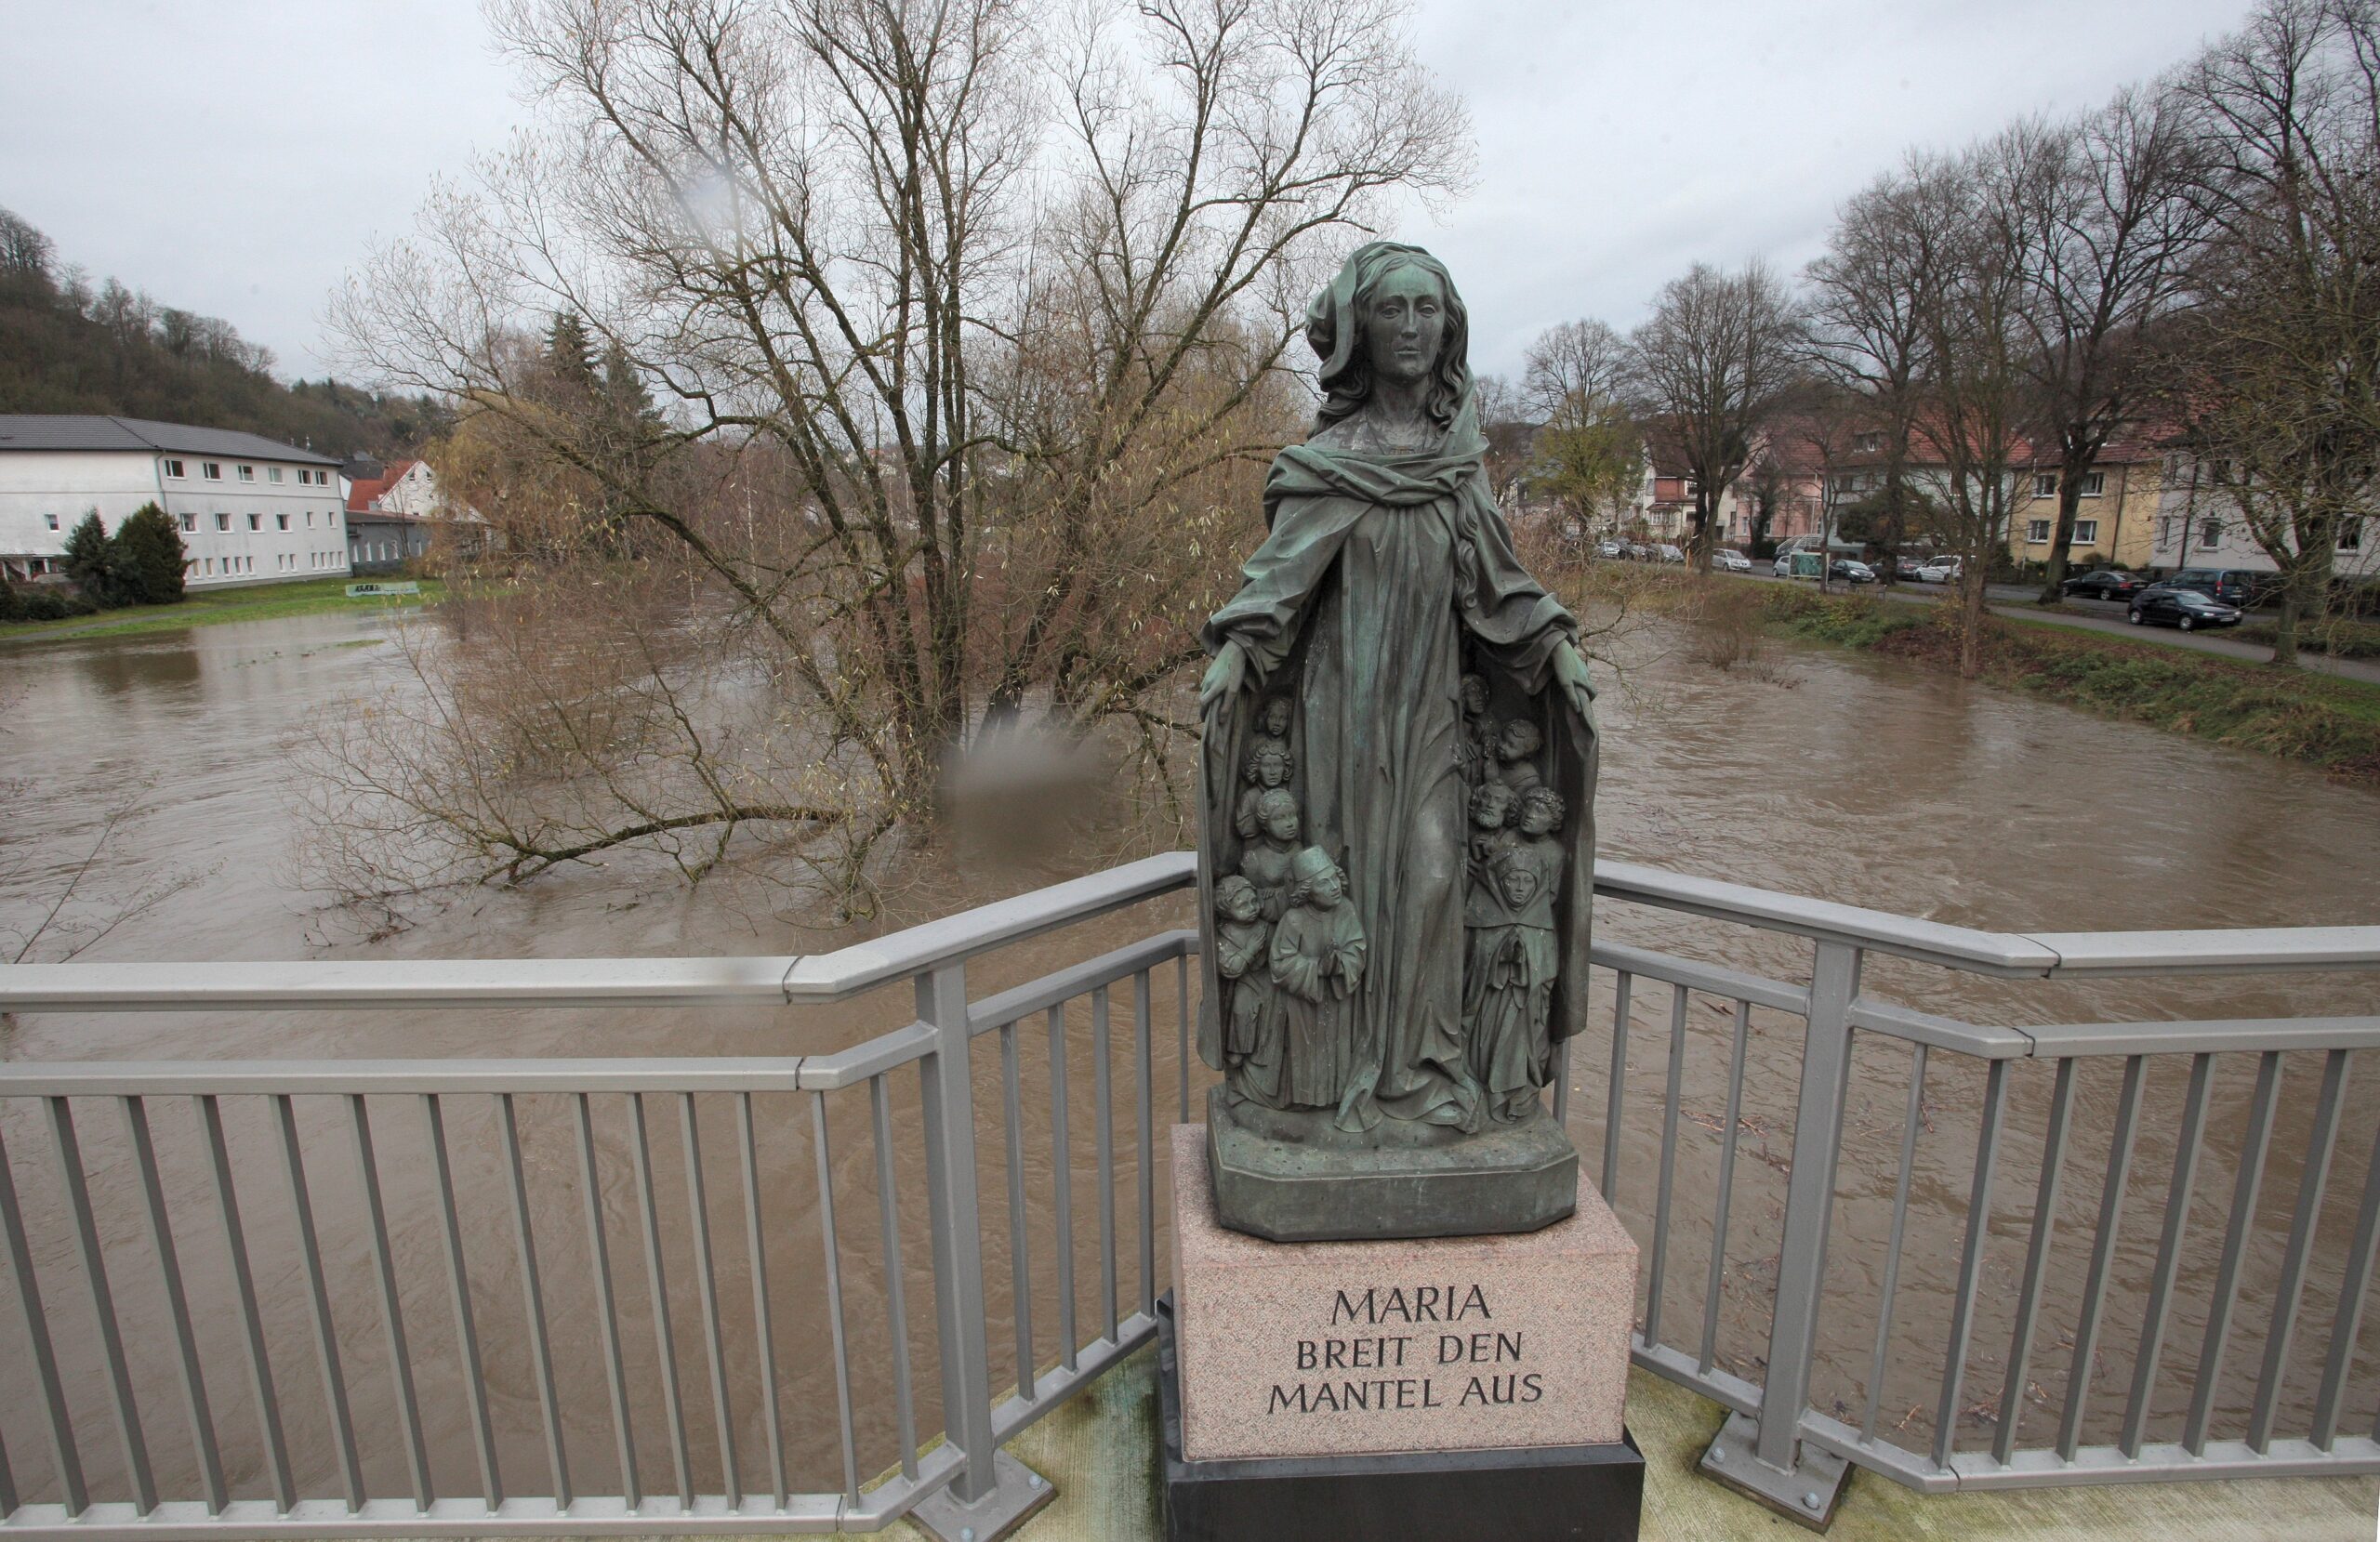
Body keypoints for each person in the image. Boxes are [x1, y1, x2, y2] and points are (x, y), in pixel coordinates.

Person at [1196, 241, 1596, 1135]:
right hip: (1340, 726)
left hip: (1430, 723)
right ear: (1361, 333)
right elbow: (1277, 584)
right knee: (1345, 890)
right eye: (1391, 310)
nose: (1410, 327)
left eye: (1427, 310)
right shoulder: (1330, 461)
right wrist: (1232, 653)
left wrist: (1557, 646)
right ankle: (1343, 1084)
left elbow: (1499, 586)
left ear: (1447, 328)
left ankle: (1422, 1070)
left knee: (1430, 879)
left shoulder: (1458, 468)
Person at [1462, 787, 1565, 1123]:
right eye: (1513, 881)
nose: (1520, 888)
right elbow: (1473, 966)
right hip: (1488, 1007)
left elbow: (1546, 976)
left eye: (1526, 882)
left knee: (1524, 1044)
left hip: (1524, 1009)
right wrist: (1498, 959)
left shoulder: (1540, 926)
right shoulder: (1484, 918)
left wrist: (1526, 966)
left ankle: (1517, 1092)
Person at [1269, 847, 1367, 1111]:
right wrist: (1316, 968)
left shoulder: (1346, 910)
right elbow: (1280, 963)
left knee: (1338, 1049)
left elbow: (1357, 948)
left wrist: (1340, 963)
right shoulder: (1293, 919)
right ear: (1307, 891)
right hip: (1305, 1005)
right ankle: (1306, 1102)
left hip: (1339, 998)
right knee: (1307, 1051)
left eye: (1335, 879)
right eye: (1324, 883)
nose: (1334, 887)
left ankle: (1337, 1098)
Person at [1212, 875, 1283, 1107]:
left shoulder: (1266, 928)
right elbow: (1230, 968)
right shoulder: (1224, 935)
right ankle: (1238, 1057)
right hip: (1245, 982)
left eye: (1253, 902)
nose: (1252, 909)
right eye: (1242, 905)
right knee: (1242, 1010)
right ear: (1226, 909)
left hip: (1269, 980)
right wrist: (1250, 950)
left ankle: (1271, 1067)